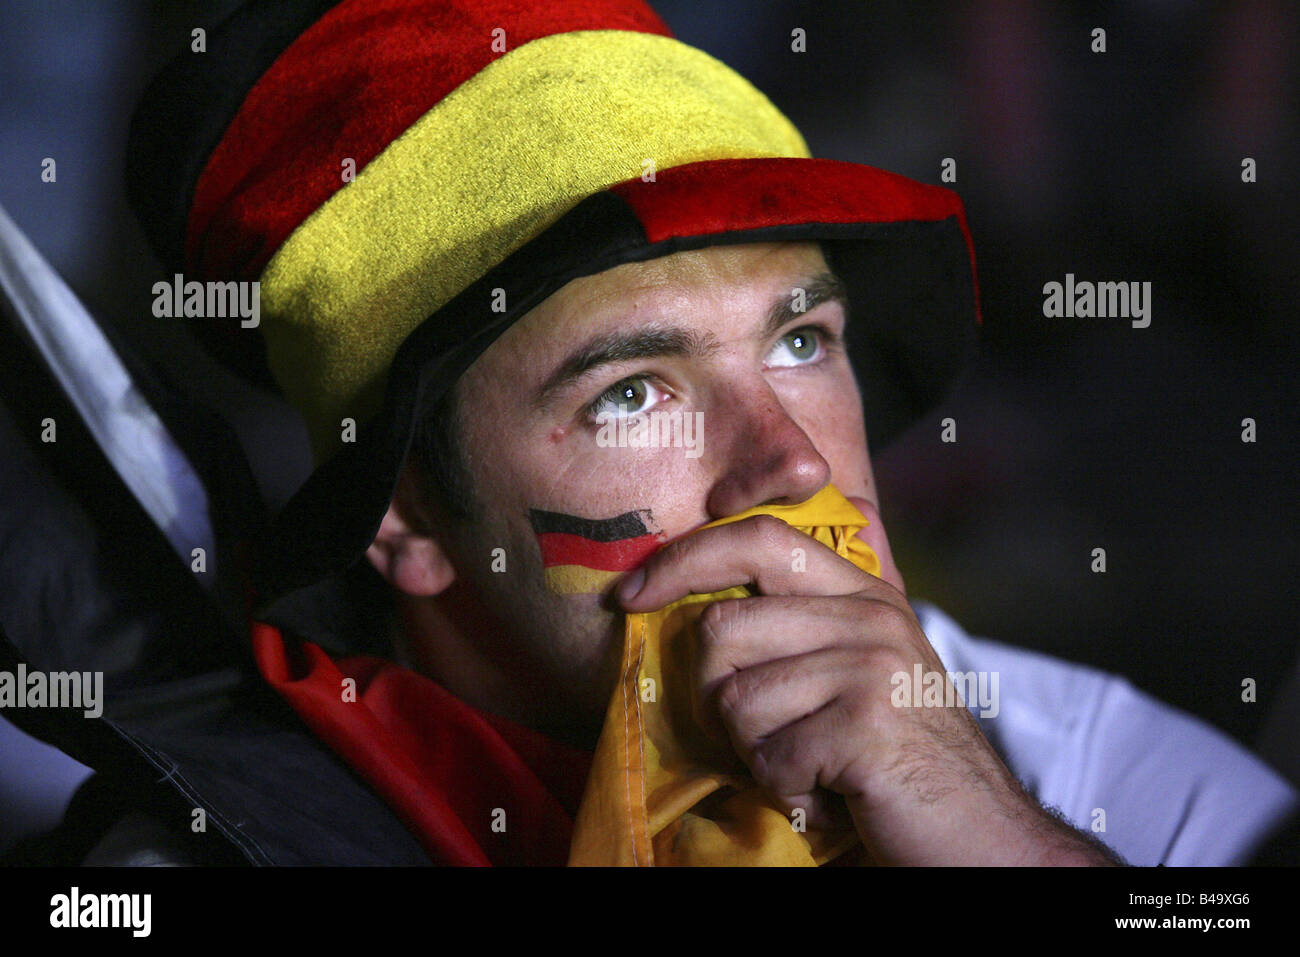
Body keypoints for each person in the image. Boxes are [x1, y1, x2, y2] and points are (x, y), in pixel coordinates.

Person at [23, 0, 1291, 866]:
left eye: (802, 341)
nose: (791, 461)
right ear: (402, 514)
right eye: (632, 390)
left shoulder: (1122, 785)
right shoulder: (172, 856)